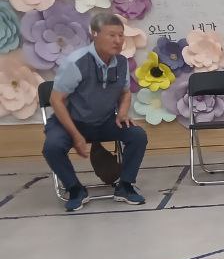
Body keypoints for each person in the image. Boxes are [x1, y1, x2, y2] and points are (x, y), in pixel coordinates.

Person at [42, 11, 148, 212]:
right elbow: (56, 100)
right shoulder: (76, 62)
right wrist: (75, 135)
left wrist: (123, 113)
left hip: (104, 121)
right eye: (111, 35)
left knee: (137, 135)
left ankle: (125, 185)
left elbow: (125, 93)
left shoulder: (122, 62)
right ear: (95, 34)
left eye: (120, 35)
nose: (118, 40)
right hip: (71, 122)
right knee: (52, 147)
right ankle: (75, 189)